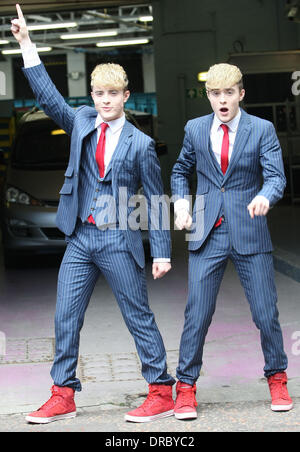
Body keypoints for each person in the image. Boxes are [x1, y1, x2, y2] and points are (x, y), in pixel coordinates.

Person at [11, 4, 175, 424]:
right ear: (94, 98)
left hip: (119, 239)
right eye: (98, 95)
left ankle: (160, 391)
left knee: (137, 315)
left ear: (125, 96)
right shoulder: (82, 121)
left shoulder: (139, 144)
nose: (104, 101)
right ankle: (62, 394)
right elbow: (49, 99)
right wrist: (28, 46)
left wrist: (161, 252)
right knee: (65, 314)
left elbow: (155, 200)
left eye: (112, 95)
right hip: (80, 238)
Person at [171, 62, 293, 419]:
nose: (222, 101)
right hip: (207, 230)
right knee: (197, 314)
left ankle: (277, 376)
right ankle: (186, 387)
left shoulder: (262, 129)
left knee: (265, 313)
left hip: (250, 227)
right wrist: (181, 203)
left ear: (241, 94)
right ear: (207, 95)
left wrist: (265, 197)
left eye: (228, 93)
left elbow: (275, 176)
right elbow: (180, 170)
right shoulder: (194, 129)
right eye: (215, 94)